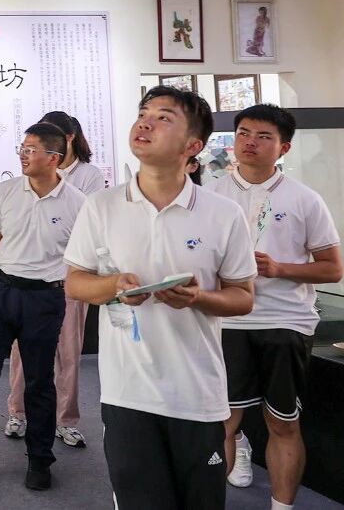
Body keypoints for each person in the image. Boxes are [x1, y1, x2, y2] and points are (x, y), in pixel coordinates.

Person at [65, 85, 256, 510]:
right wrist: (114, 287)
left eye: (163, 117)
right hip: (127, 394)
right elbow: (75, 283)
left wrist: (198, 298)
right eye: (143, 113)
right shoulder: (101, 206)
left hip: (199, 395)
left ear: (193, 146)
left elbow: (243, 297)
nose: (145, 123)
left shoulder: (223, 213)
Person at [211, 104, 341, 509]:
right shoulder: (209, 195)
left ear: (283, 147)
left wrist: (279, 268)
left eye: (263, 136)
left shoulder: (304, 199)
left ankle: (282, 507)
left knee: (283, 422)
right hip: (226, 320)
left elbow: (333, 268)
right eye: (244, 133)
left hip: (286, 321)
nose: (250, 142)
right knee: (221, 422)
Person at [0, 122, 86, 491]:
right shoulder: (5, 192)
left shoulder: (77, 203)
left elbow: (80, 254)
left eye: (31, 149)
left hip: (45, 299)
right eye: (22, 148)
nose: (23, 155)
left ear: (54, 157)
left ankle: (40, 458)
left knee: (39, 380)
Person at [5, 110, 104, 448]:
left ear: (66, 140)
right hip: (29, 279)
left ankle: (66, 420)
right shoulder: (23, 181)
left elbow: (89, 227)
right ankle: (17, 413)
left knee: (68, 353)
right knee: (22, 350)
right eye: (27, 147)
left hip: (70, 278)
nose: (28, 153)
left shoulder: (89, 176)